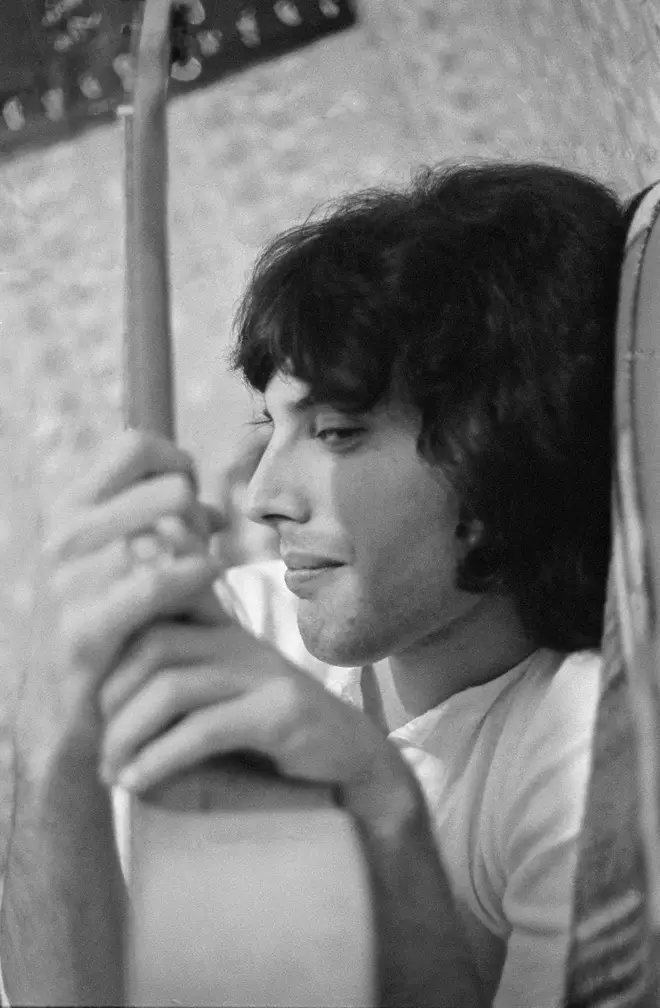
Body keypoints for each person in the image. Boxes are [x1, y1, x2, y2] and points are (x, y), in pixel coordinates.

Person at [0, 160, 630, 1007]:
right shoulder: (239, 623)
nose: (262, 497)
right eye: (272, 421)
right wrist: (45, 736)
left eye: (334, 432)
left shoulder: (580, 754)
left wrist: (386, 809)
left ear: (506, 451)